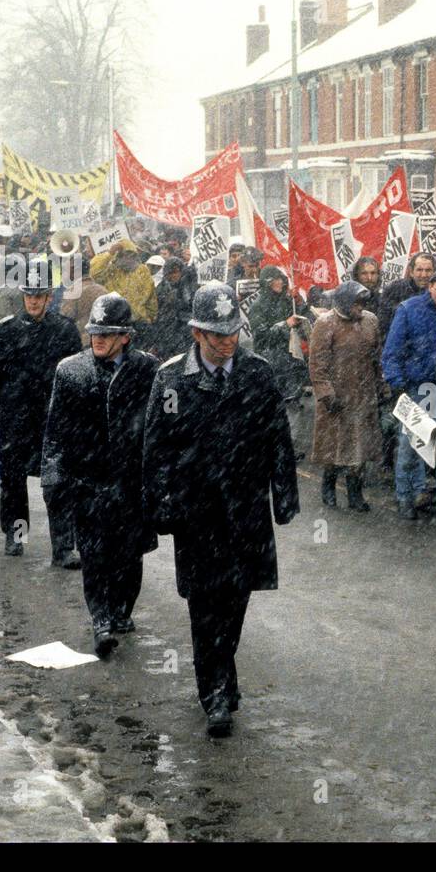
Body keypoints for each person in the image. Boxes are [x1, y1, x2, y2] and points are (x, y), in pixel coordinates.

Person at [142, 283, 299, 737]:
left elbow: (278, 438)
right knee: (204, 605)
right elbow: (157, 449)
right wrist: (161, 504)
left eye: (232, 332)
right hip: (198, 512)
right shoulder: (172, 380)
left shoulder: (257, 373)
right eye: (216, 335)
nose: (227, 342)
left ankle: (221, 671)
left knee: (235, 601)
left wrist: (284, 495)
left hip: (246, 508)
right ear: (196, 333)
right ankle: (213, 690)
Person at [41, 294, 158, 658]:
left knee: (129, 555)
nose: (99, 339)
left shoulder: (148, 370)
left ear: (126, 336)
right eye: (95, 332)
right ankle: (101, 620)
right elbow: (55, 429)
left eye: (108, 334)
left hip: (131, 482)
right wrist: (53, 477)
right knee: (94, 556)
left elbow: (159, 430)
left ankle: (121, 611)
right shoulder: (70, 371)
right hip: (88, 481)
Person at [0, 257, 83, 563]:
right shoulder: (7, 331)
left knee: (59, 482)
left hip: (53, 418)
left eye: (38, 296)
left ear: (48, 297)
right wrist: (15, 395)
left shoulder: (65, 331)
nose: (33, 301)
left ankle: (64, 547)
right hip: (17, 419)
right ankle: (16, 536)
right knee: (13, 482)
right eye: (28, 295)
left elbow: (74, 372)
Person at [382, 267, 436, 523]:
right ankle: (407, 496)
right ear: (430, 287)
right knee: (410, 446)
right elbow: (391, 351)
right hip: (413, 388)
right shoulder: (408, 309)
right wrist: (399, 385)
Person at [308, 281, 387, 511]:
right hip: (336, 396)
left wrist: (381, 387)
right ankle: (328, 485)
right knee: (334, 446)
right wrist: (326, 394)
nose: (360, 308)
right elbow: (317, 364)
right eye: (356, 304)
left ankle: (355, 493)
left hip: (363, 394)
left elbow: (377, 357)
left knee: (359, 448)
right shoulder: (325, 324)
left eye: (363, 303)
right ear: (344, 302)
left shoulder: (370, 321)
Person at [243, 264, 312, 400]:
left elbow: (303, 314)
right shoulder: (257, 306)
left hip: (290, 352)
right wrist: (286, 325)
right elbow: (263, 338)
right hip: (271, 357)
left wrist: (298, 302)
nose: (281, 282)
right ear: (268, 283)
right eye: (277, 279)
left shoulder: (285, 299)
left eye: (281, 279)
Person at [89, 239, 157, 329]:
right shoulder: (110, 271)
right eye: (125, 255)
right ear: (117, 256)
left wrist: (151, 317)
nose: (128, 258)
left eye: (131, 255)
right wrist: (109, 253)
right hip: (117, 323)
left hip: (139, 322)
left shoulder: (142, 270)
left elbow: (150, 295)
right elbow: (94, 273)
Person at [377, 252, 436, 342]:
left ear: (434, 272)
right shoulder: (394, 290)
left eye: (428, 270)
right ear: (411, 272)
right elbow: (384, 323)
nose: (424, 275)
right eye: (419, 270)